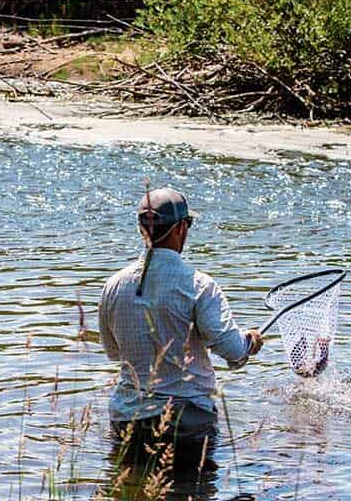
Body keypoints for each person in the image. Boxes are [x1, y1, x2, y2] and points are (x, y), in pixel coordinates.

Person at [98, 187, 263, 455]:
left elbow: (113, 353)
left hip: (127, 422)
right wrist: (249, 342)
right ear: (179, 229)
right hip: (187, 426)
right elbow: (233, 350)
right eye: (188, 223)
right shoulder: (200, 285)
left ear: (142, 229)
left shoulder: (113, 285)